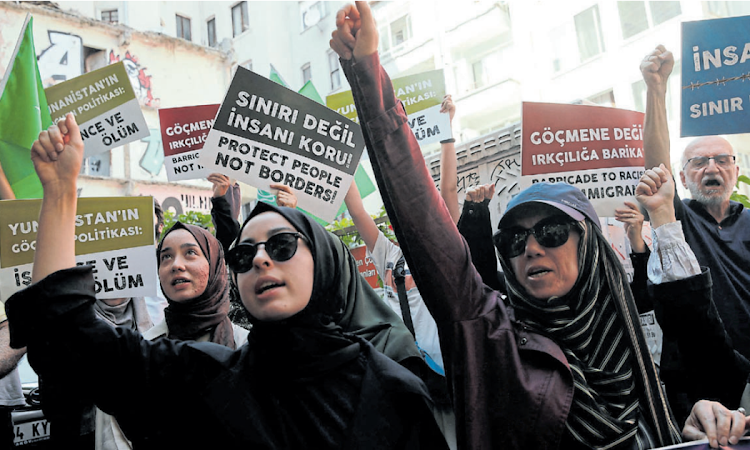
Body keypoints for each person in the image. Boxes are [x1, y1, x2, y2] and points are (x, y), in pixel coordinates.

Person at [330, 3, 749, 448]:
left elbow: (701, 358)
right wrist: (369, 80)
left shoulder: (636, 342)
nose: (530, 248)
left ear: (587, 247)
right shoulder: (493, 340)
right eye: (513, 239)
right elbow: (425, 222)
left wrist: (698, 416)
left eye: (550, 233)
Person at [6, 112, 447, 449]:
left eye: (281, 246)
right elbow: (67, 337)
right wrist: (60, 192)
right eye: (241, 253)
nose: (258, 259)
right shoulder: (204, 375)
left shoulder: (396, 392)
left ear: (327, 263)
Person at [641, 44, 750, 422]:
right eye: (698, 161)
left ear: (735, 172)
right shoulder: (679, 218)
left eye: (722, 159)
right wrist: (657, 89)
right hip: (702, 384)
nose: (711, 166)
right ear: (683, 177)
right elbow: (655, 168)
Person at [344, 183, 456, 449]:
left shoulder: (442, 253)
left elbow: (450, 192)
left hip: (448, 373)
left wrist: (447, 141)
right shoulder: (390, 255)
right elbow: (357, 212)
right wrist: (346, 158)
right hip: (408, 372)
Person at [142, 221, 249, 348]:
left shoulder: (247, 347)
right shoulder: (144, 349)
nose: (176, 265)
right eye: (166, 257)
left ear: (214, 264)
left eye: (190, 252)